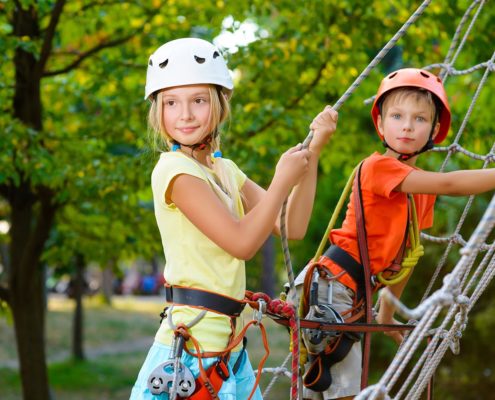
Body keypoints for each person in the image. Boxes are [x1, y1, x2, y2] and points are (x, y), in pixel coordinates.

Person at [130, 37, 338, 400]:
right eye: (171, 102)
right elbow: (241, 243)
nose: (186, 114)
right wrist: (281, 181)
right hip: (191, 358)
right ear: (158, 110)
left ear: (219, 102)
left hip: (230, 353)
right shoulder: (175, 173)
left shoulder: (225, 170)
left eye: (198, 100)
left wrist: (313, 154)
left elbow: (292, 226)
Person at [294, 67, 495, 400]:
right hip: (333, 283)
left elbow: (406, 255)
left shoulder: (421, 190)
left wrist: (386, 313)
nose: (407, 125)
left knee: (324, 383)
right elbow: (450, 183)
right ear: (380, 125)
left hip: (356, 291)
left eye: (419, 119)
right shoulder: (377, 167)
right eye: (397, 116)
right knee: (345, 387)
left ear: (434, 129)